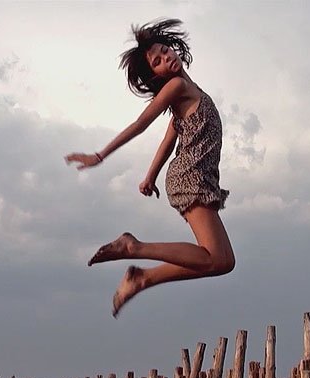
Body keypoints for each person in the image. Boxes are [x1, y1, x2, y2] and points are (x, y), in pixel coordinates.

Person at [64, 18, 235, 318]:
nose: (166, 58)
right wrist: (100, 155)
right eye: (157, 61)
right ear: (156, 75)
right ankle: (133, 248)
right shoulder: (177, 87)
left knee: (223, 261)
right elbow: (141, 123)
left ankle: (142, 277)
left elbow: (170, 139)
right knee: (213, 257)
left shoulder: (187, 91)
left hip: (198, 177)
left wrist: (150, 176)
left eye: (164, 51)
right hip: (191, 177)